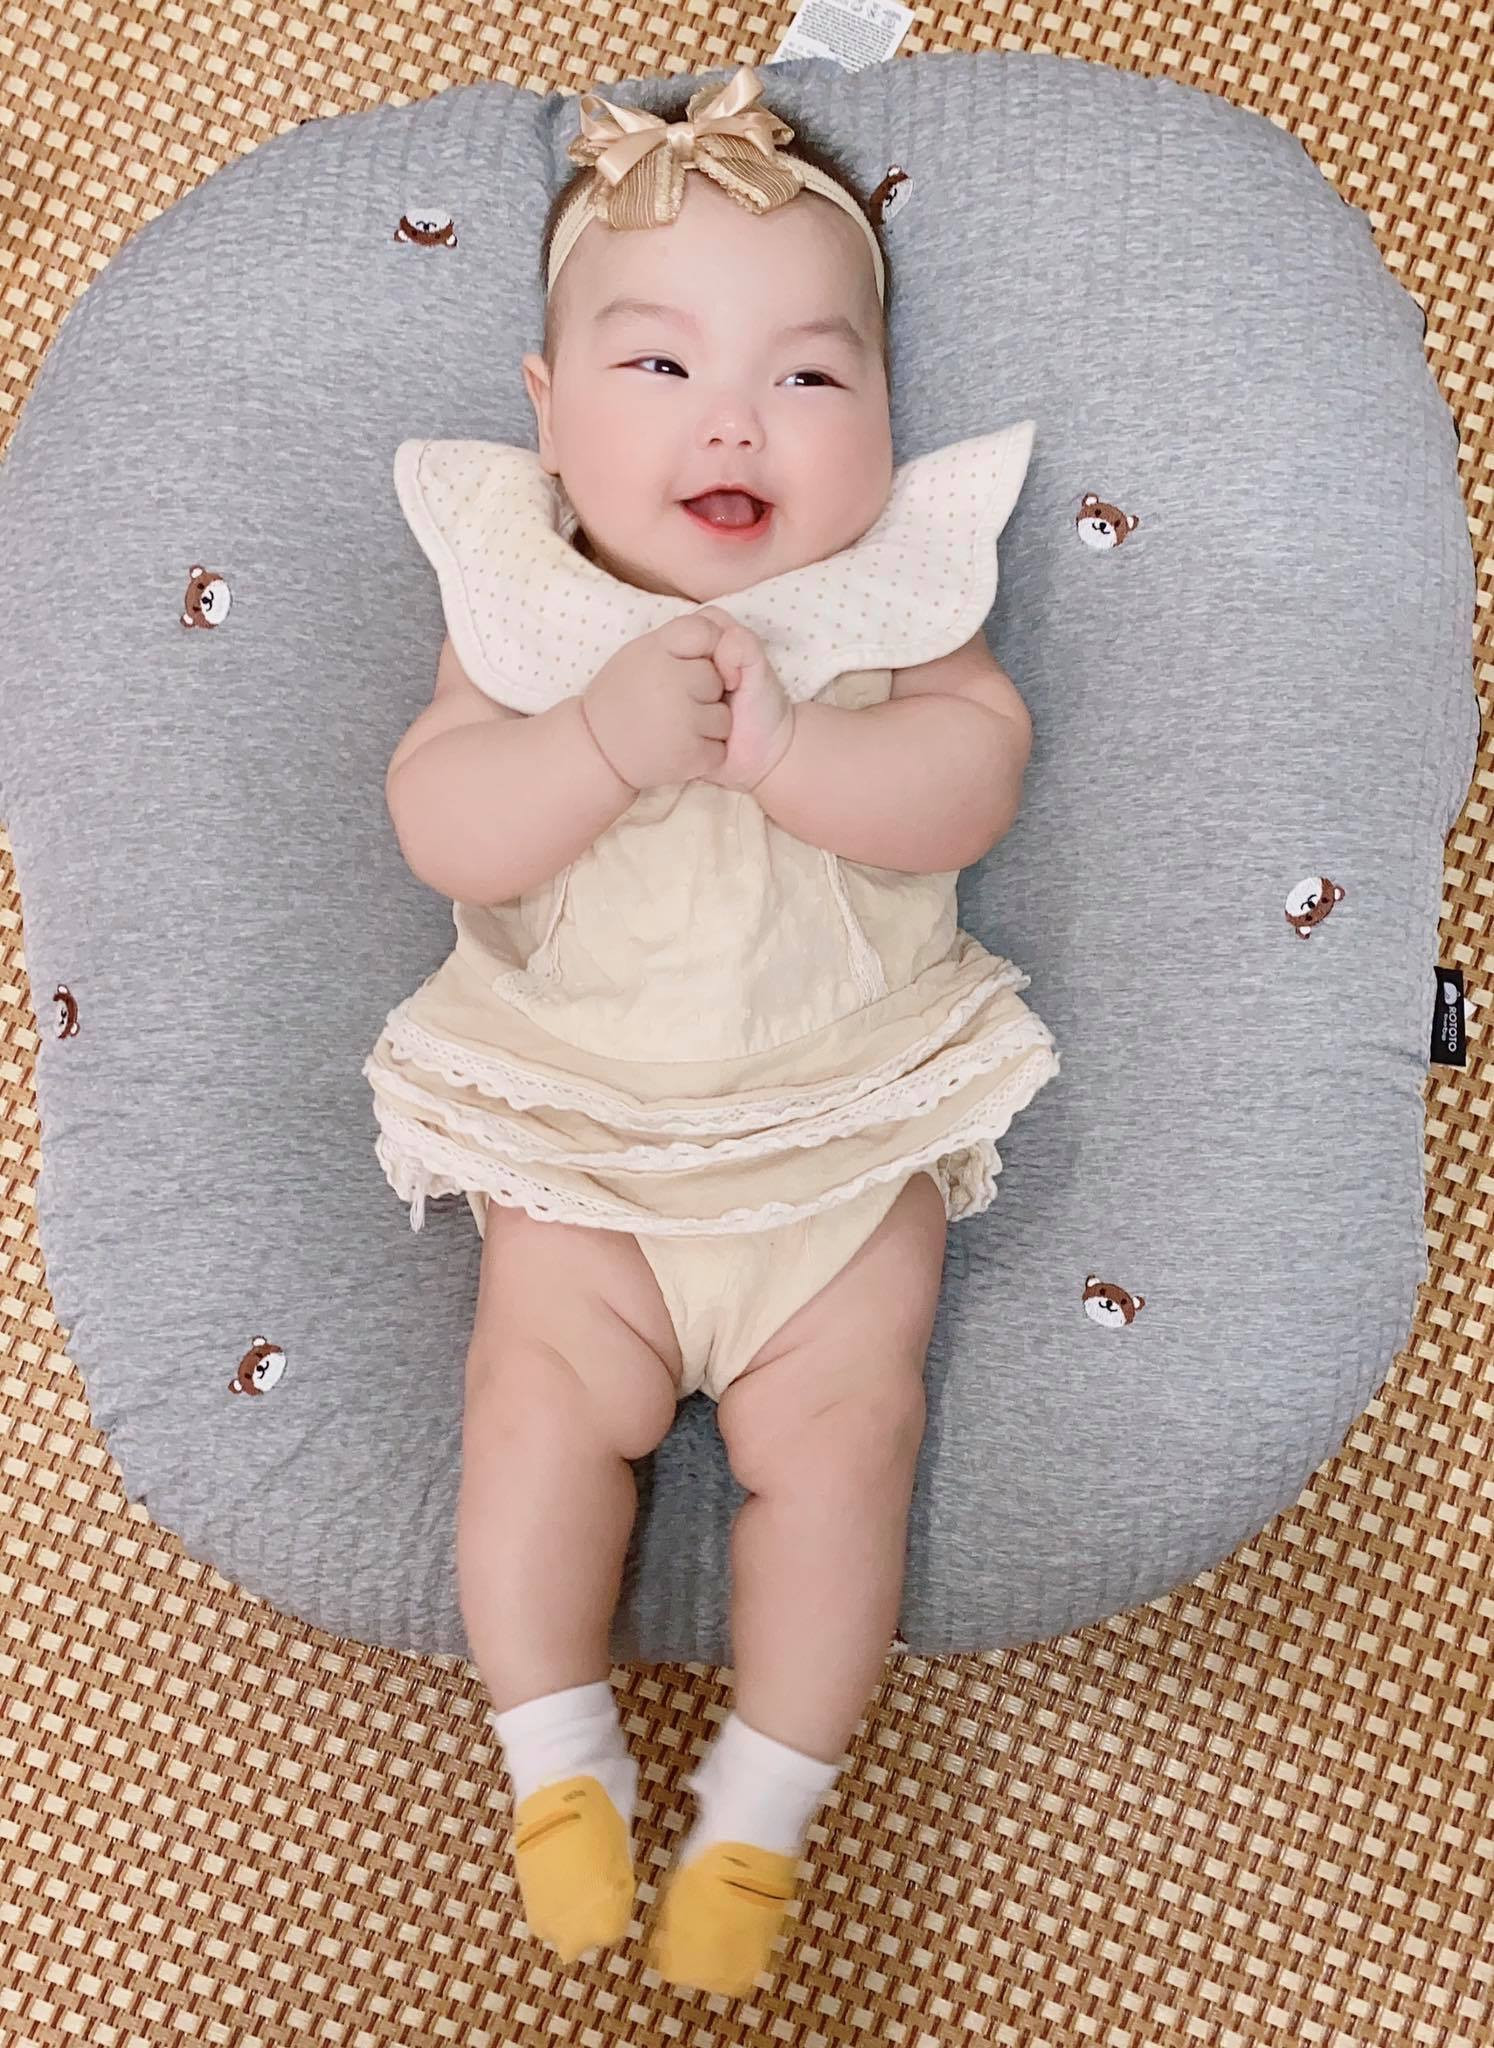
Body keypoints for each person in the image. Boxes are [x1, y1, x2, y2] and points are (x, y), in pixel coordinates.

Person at [364, 60, 1059, 1997]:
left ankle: (763, 1805)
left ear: (887, 416)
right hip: (577, 1144)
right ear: (548, 415)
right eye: (658, 367)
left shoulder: (891, 599)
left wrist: (800, 753)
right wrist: (592, 744)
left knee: (849, 1439)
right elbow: (440, 819)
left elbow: (972, 783)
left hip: (839, 1136)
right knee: (528, 1407)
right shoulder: (522, 603)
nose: (735, 417)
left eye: (811, 376)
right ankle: (555, 1761)